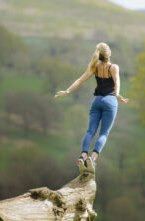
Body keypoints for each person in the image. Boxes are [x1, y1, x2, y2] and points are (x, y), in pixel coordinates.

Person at [54, 42, 128, 172]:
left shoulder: (95, 67)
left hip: (97, 101)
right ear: (109, 53)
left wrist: (67, 91)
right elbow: (117, 82)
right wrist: (117, 95)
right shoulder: (113, 67)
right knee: (104, 133)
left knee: (90, 131)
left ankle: (83, 156)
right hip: (110, 101)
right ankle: (92, 158)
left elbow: (80, 80)